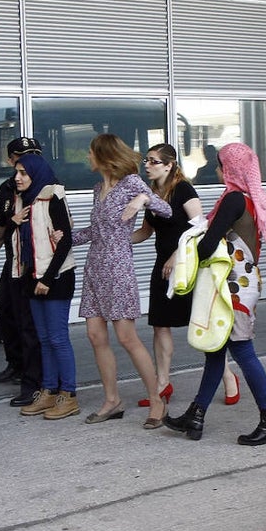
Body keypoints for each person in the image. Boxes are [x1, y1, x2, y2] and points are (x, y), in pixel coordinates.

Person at [163, 143, 266, 445]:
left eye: (219, 166)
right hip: (240, 284)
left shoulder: (232, 199)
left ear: (230, 168)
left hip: (234, 288)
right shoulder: (248, 199)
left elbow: (207, 246)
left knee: (243, 352)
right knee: (216, 351)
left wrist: (187, 246)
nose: (217, 171)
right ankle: (196, 414)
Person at [71, 133, 171, 426]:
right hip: (95, 267)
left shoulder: (131, 184)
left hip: (119, 269)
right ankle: (112, 401)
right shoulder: (97, 187)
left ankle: (157, 400)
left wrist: (143, 198)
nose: (87, 157)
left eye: (90, 152)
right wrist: (65, 239)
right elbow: (96, 231)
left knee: (126, 337)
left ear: (104, 155)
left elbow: (165, 209)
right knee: (95, 335)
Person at [131, 143, 240, 408]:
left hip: (188, 264)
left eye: (153, 161)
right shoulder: (152, 193)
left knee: (200, 322)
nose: (147, 165)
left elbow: (200, 226)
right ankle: (162, 383)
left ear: (169, 165)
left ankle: (227, 377)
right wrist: (115, 239)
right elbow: (146, 231)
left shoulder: (183, 189)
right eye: (146, 160)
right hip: (162, 267)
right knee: (160, 324)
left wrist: (176, 255)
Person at [11, 153, 79, 420]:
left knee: (58, 337)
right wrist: (11, 221)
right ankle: (49, 391)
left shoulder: (53, 197)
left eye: (23, 173)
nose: (18, 178)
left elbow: (65, 242)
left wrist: (47, 279)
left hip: (56, 276)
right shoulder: (22, 201)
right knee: (43, 339)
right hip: (32, 275)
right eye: (17, 172)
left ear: (36, 173)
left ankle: (69, 395)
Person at [0, 137, 43, 406]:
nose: (28, 160)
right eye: (22, 156)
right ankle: (16, 364)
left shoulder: (44, 186)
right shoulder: (7, 188)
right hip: (12, 259)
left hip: (34, 264)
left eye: (33, 154)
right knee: (7, 313)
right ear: (11, 160)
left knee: (28, 321)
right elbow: (0, 226)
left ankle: (34, 379)